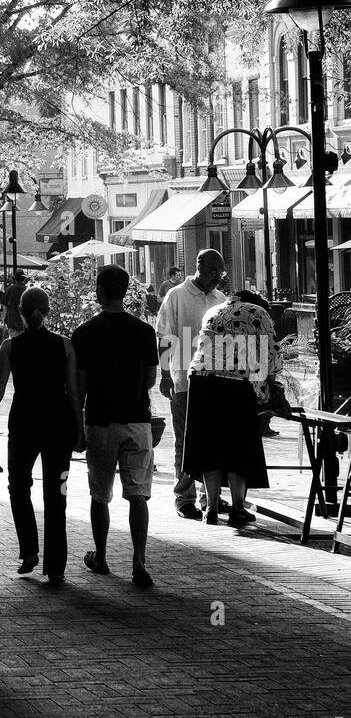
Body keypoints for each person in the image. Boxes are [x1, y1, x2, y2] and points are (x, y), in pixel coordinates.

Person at [0, 287, 81, 585]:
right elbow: (73, 392)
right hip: (58, 424)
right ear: (48, 312)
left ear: (20, 312)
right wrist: (80, 428)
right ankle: (56, 566)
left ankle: (29, 550)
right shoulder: (65, 346)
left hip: (23, 423)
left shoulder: (10, 346)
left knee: (18, 486)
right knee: (56, 495)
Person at [71, 264, 159, 589]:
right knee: (138, 494)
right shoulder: (144, 331)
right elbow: (150, 378)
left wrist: (77, 427)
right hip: (136, 419)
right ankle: (139, 560)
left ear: (99, 292)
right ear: (126, 292)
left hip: (99, 419)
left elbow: (79, 387)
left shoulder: (83, 333)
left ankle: (103, 556)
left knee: (100, 495)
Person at [183, 290, 276, 526]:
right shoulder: (258, 312)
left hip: (201, 381)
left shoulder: (212, 311)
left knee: (210, 445)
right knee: (238, 446)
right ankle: (237, 508)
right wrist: (266, 387)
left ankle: (211, 509)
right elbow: (270, 356)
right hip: (235, 383)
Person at [156, 249, 226, 520]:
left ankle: (210, 497)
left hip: (214, 382)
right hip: (183, 379)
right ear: (199, 267)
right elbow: (164, 336)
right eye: (212, 273)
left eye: (219, 275)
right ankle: (184, 497)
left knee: (213, 439)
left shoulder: (219, 298)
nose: (216, 279)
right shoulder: (177, 296)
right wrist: (164, 374)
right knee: (184, 440)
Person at [4, 269, 29, 336]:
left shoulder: (9, 289)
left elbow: (5, 306)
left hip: (12, 321)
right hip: (24, 322)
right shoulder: (27, 290)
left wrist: (5, 319)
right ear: (23, 279)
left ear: (15, 278)